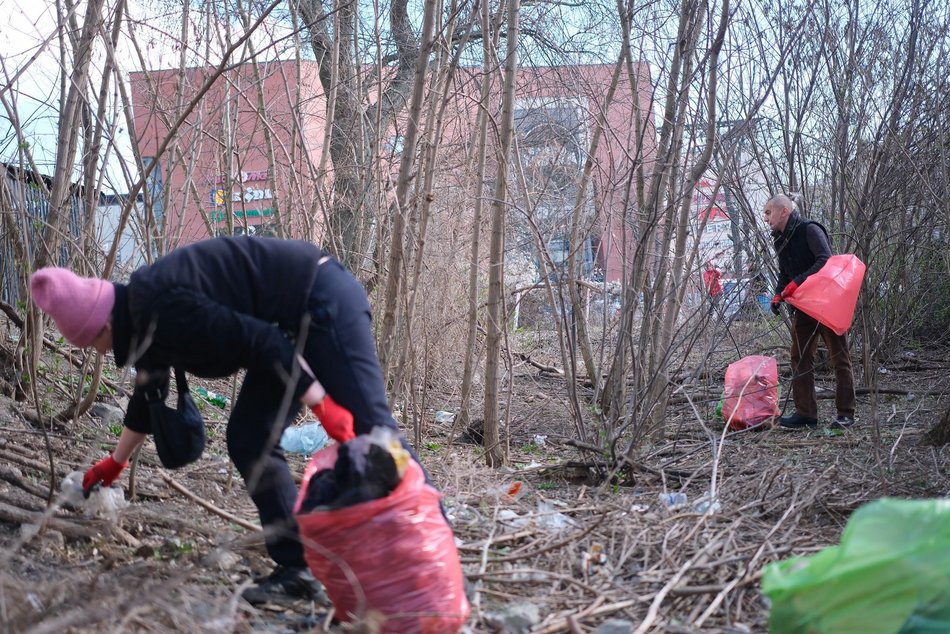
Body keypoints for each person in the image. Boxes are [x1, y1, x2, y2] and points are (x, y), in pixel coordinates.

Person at [29, 236, 418, 604]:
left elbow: (266, 343)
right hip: (284, 328)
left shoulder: (164, 308)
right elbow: (148, 397)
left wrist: (321, 405)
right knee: (250, 437)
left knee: (374, 433)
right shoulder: (142, 317)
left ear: (104, 325)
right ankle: (299, 568)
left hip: (321, 297)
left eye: (93, 343)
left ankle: (425, 566)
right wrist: (115, 462)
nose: (100, 352)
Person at [764, 194, 855, 430]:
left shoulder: (810, 229)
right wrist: (778, 293)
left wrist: (798, 282)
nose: (766, 218)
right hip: (803, 307)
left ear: (783, 211)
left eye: (768, 212)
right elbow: (785, 273)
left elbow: (825, 260)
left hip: (827, 302)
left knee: (839, 357)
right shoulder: (779, 240)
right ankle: (806, 414)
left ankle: (846, 414)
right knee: (799, 357)